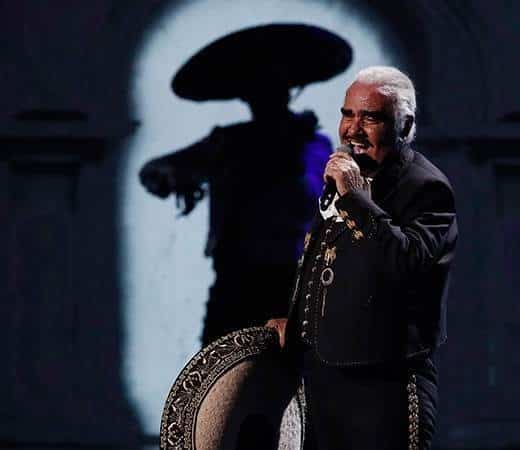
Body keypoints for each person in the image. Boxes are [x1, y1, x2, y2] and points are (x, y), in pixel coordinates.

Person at [267, 66, 458, 450]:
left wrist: (355, 198)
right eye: (347, 114)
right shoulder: (347, 176)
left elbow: (404, 264)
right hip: (321, 382)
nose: (352, 130)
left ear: (405, 126)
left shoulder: (427, 188)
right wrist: (299, 322)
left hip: (383, 389)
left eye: (370, 118)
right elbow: (326, 262)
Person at [138, 24, 351, 346]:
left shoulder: (315, 146)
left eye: (273, 89)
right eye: (257, 91)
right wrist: (173, 178)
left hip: (297, 281)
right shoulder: (227, 143)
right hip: (238, 280)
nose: (265, 99)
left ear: (286, 91)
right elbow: (155, 171)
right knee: (220, 366)